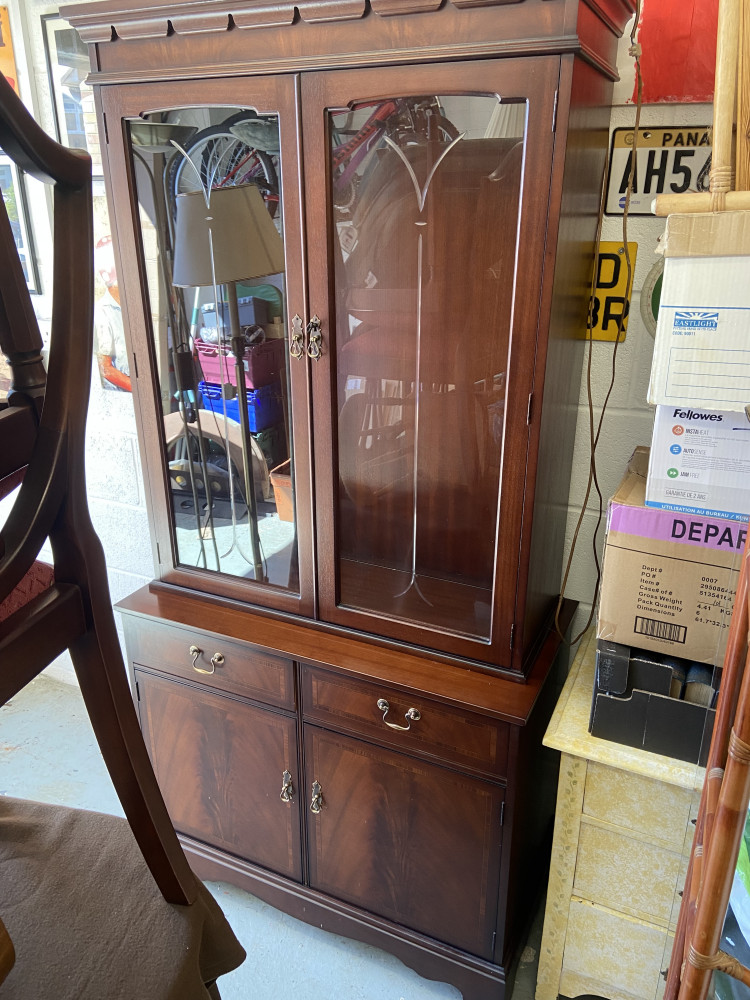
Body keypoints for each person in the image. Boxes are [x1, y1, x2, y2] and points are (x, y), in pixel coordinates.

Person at [94, 234, 131, 392]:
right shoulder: (103, 312)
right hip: (125, 398)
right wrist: (141, 390)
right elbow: (106, 369)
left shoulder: (133, 305)